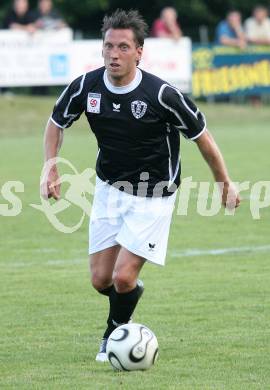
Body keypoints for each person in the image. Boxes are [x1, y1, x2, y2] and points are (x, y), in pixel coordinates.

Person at [41, 9, 240, 363]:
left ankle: (113, 333)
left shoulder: (161, 94)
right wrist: (49, 168)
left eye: (122, 47)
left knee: (121, 276)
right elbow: (56, 122)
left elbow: (202, 137)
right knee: (101, 279)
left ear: (139, 51)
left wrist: (224, 183)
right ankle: (128, 294)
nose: (113, 55)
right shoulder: (86, 87)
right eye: (108, 47)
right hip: (108, 190)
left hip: (153, 196)